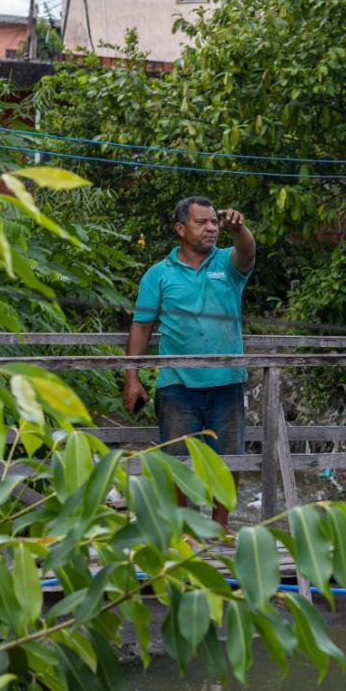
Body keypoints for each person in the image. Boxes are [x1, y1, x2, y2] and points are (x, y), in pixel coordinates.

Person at [124, 197, 255, 530]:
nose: (211, 228)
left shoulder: (226, 263)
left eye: (215, 222)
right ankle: (186, 532)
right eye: (202, 222)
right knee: (177, 462)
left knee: (228, 461)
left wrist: (239, 229)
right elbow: (142, 326)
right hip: (177, 385)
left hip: (226, 381)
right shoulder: (159, 274)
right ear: (180, 228)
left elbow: (247, 253)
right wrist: (132, 377)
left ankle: (220, 530)